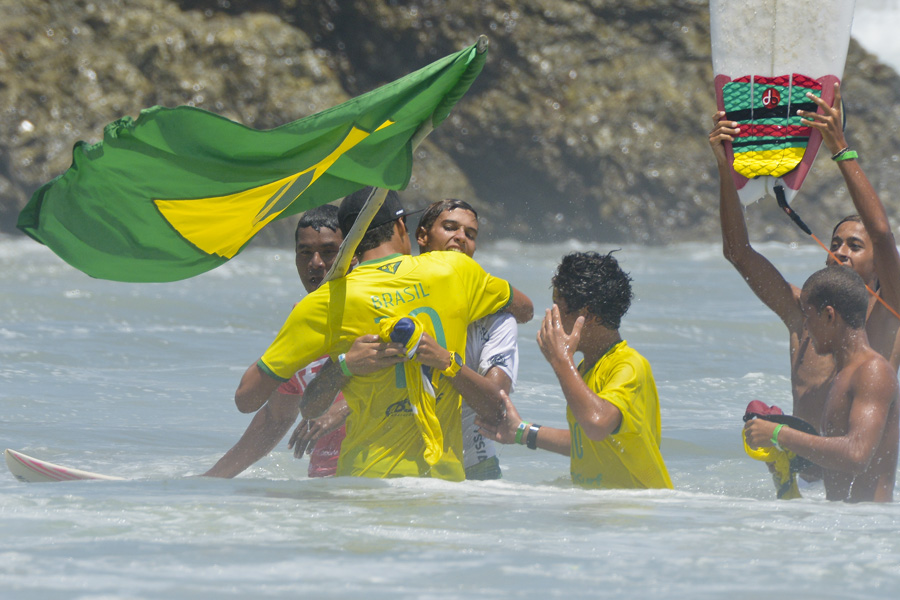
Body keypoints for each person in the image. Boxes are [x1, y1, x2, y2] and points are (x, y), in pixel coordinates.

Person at [234, 187, 533, 481]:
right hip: (441, 486)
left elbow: (247, 400)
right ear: (402, 225)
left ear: (347, 241)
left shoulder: (323, 302)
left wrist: (343, 365)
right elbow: (525, 309)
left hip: (362, 483)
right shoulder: (456, 270)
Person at [709, 83, 900, 438]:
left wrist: (840, 148)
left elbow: (881, 234)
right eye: (835, 243)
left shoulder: (891, 313)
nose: (840, 251)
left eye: (855, 246)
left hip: (852, 472)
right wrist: (725, 167)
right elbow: (737, 252)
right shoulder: (804, 314)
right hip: (805, 473)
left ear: (878, 266)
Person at [477, 251, 672, 490]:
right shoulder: (586, 368)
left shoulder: (629, 365)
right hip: (602, 506)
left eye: (558, 306)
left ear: (587, 316)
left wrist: (561, 359)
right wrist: (521, 431)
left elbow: (596, 424)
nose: (552, 316)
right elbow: (587, 444)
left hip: (634, 508)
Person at [204, 205, 353, 478]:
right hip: (324, 483)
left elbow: (412, 374)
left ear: (353, 254)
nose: (316, 263)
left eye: (329, 252)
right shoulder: (302, 320)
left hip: (384, 479)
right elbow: (276, 417)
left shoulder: (379, 303)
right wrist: (211, 480)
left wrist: (343, 408)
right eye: (305, 252)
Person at [744, 265, 899, 502]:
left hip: (868, 520)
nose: (806, 326)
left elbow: (857, 454)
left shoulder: (872, 371)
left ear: (829, 315)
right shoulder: (844, 374)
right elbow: (839, 469)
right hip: (841, 518)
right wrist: (783, 462)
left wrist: (778, 433)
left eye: (808, 316)